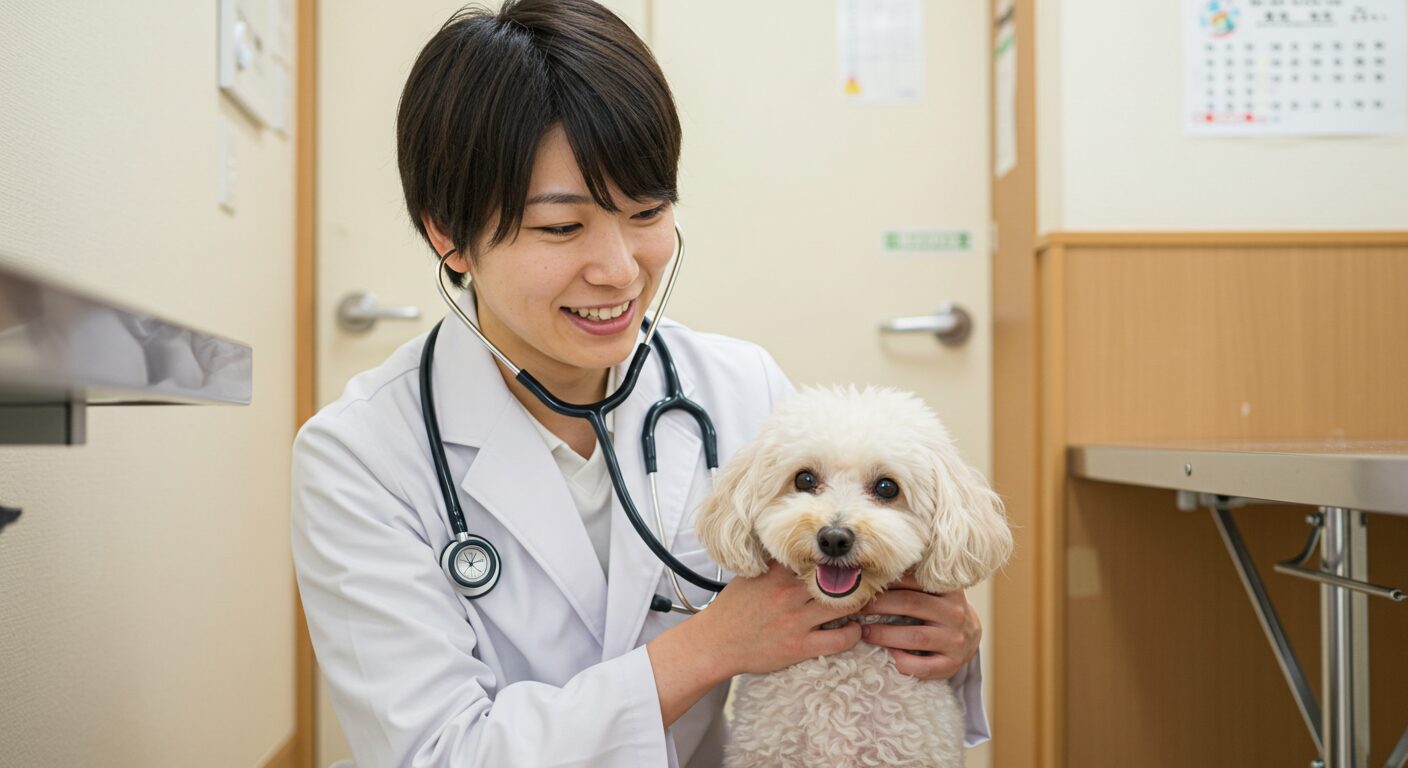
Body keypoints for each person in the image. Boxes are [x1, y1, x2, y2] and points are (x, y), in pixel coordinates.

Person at [291, 1, 988, 765]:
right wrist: (705, 650)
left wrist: (942, 638)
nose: (621, 270)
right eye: (563, 227)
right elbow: (435, 752)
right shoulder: (359, 456)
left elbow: (849, 627)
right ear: (447, 233)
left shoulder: (738, 386)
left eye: (647, 211)